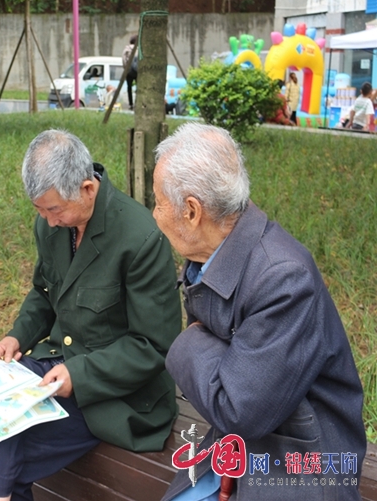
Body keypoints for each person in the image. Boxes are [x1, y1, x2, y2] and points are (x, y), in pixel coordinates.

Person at [153, 123, 366, 501]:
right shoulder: (216, 251)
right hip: (245, 445)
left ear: (191, 211)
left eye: (158, 202)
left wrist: (188, 341)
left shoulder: (283, 277)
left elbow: (239, 410)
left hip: (299, 460)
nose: (154, 214)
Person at [0, 129, 182, 501]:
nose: (48, 221)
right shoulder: (52, 226)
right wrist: (18, 336)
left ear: (87, 188)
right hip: (55, 364)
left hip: (115, 392)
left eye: (54, 210)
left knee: (7, 454)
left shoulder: (140, 238)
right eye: (39, 210)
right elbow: (44, 293)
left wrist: (78, 375)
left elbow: (154, 346)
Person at [122, 35, 138, 110]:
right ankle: (137, 103)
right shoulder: (138, 49)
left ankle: (130, 104)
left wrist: (126, 68)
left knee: (129, 88)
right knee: (139, 88)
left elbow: (124, 60)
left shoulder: (126, 49)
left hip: (128, 72)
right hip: (137, 71)